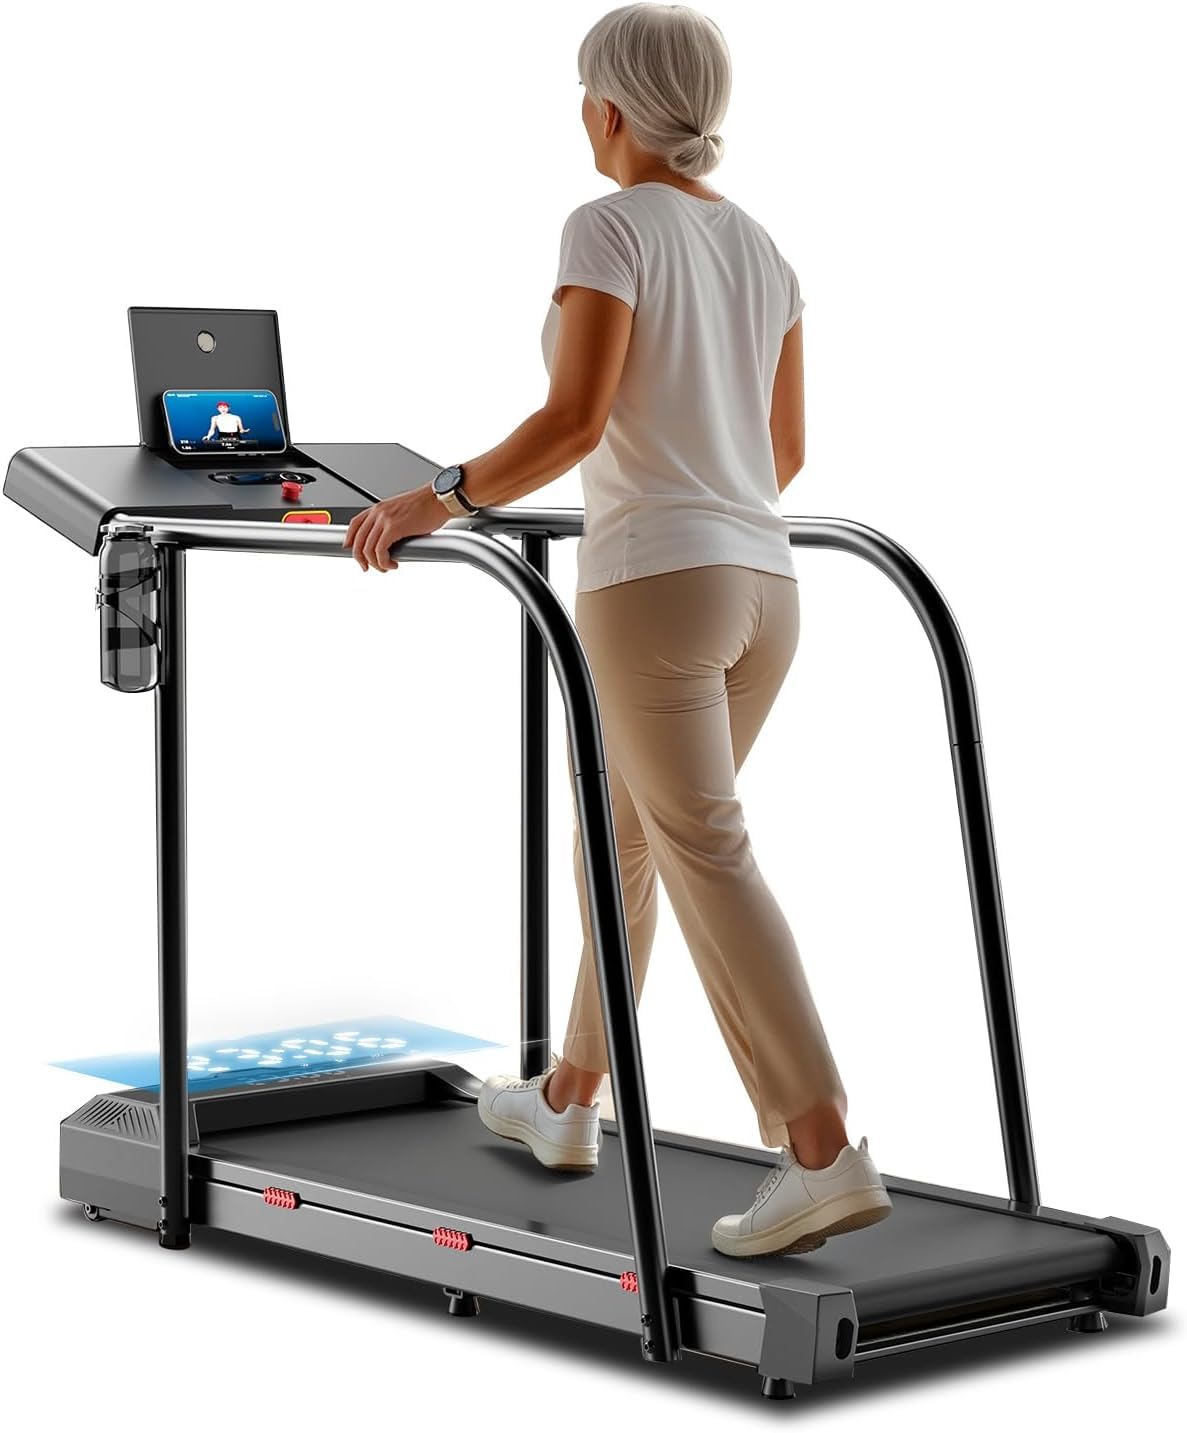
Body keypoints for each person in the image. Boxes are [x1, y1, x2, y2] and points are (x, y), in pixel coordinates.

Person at [344, 2, 892, 1258]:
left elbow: (571, 423)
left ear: (609, 107)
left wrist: (431, 500)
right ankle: (566, 1100)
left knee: (699, 846)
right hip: (767, 588)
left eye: (580, 94)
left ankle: (819, 1147)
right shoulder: (762, 249)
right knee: (628, 840)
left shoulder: (604, 224)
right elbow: (782, 452)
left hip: (652, 588)